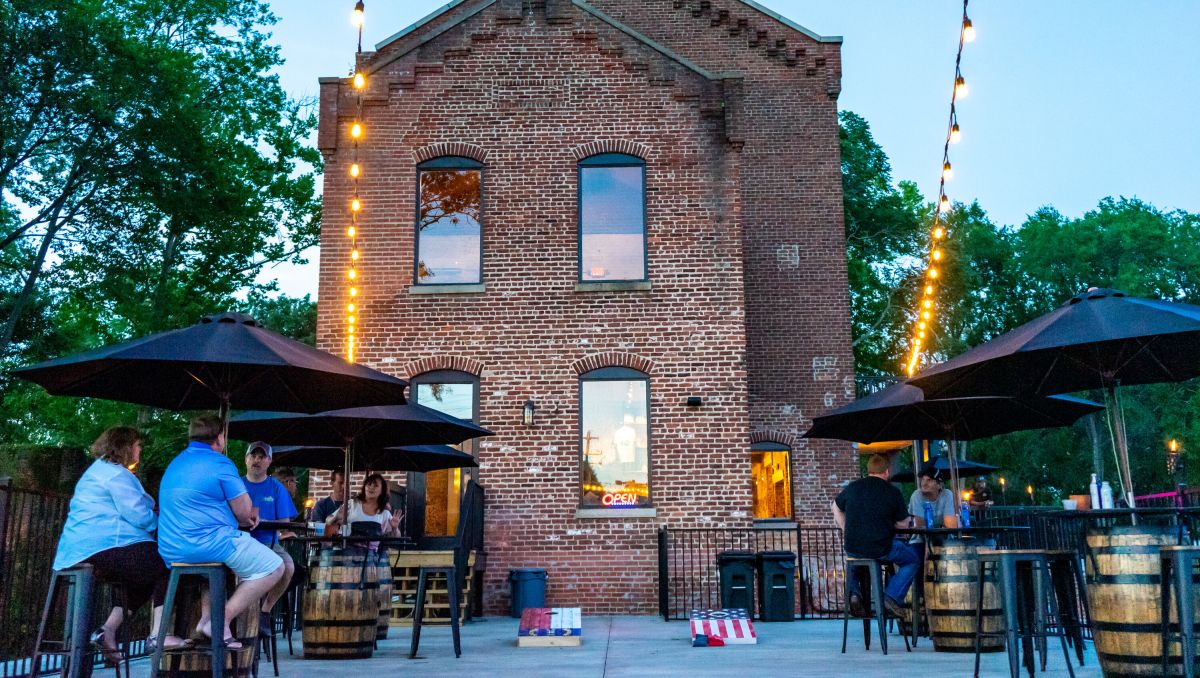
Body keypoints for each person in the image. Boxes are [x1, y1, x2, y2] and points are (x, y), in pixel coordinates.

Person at [52, 426, 189, 661]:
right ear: (125, 447)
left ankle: (107, 630)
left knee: (144, 576)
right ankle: (158, 635)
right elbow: (139, 515)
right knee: (167, 562)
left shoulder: (96, 471)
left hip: (77, 550)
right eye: (138, 445)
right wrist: (160, 522)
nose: (140, 449)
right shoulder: (116, 475)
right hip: (102, 547)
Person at [158, 415, 284, 650]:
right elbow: (245, 513)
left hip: (171, 550)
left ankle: (209, 620)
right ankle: (219, 621)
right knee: (274, 566)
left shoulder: (175, 463)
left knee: (216, 572)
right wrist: (248, 513)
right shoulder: (220, 463)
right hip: (208, 545)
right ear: (219, 438)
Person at [831, 454, 919, 618]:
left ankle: (854, 593)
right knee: (912, 559)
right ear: (887, 471)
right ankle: (891, 597)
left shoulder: (853, 487)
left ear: (869, 470)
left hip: (853, 546)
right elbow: (903, 524)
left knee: (855, 563)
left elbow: (835, 507)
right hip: (881, 547)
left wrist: (846, 528)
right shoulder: (892, 491)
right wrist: (888, 521)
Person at [242, 442, 297, 635]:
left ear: (269, 461)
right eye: (253, 456)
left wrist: (263, 520)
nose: (257, 460)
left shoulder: (276, 488)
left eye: (261, 456)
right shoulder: (236, 485)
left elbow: (284, 522)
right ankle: (235, 618)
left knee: (288, 566)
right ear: (246, 459)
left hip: (268, 542)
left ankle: (265, 610)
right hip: (239, 541)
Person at [324, 473, 403, 540]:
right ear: (364, 487)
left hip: (372, 556)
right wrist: (336, 517)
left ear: (382, 491)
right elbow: (327, 520)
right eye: (369, 484)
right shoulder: (352, 504)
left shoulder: (384, 513)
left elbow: (396, 538)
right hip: (348, 552)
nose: (371, 487)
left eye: (375, 485)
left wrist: (395, 528)